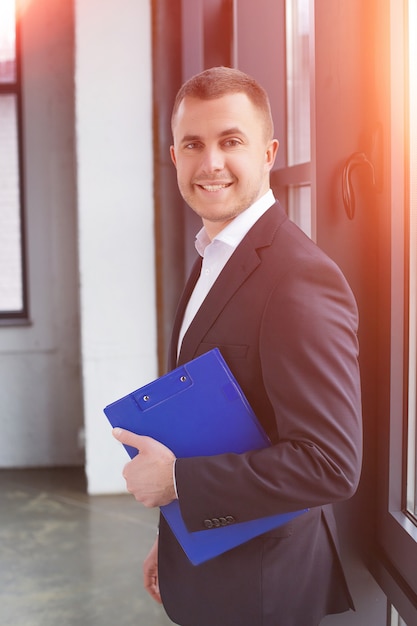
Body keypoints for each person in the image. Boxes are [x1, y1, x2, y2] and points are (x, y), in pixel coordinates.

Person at [112, 66, 362, 626]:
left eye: (231, 141)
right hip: (216, 561)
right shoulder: (213, 253)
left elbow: (330, 464)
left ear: (269, 152)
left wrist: (178, 484)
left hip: (264, 591)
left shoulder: (298, 279)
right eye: (193, 144)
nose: (211, 163)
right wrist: (177, 533)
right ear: (174, 157)